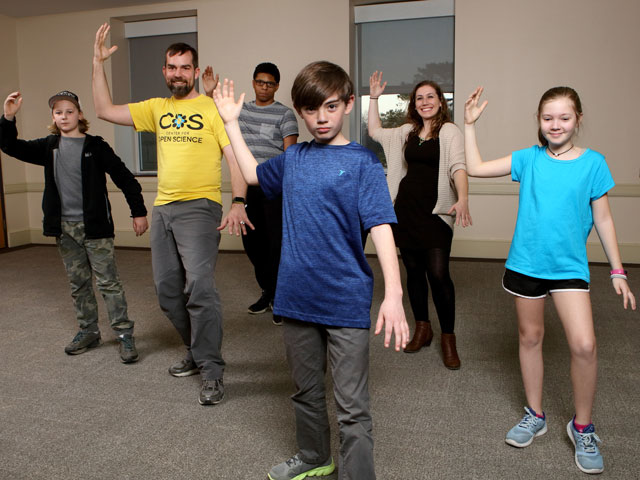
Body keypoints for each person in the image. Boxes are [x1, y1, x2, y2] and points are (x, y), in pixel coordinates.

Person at [212, 61, 409, 480]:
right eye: (311, 109)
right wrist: (230, 122)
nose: (321, 118)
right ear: (300, 111)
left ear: (349, 105)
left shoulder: (363, 163)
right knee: (305, 390)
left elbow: (381, 227)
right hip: (296, 295)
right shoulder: (294, 158)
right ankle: (315, 456)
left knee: (352, 407)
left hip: (345, 299)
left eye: (332, 107)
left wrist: (393, 295)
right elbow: (251, 174)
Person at [464, 85, 636, 474]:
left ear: (578, 119)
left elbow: (605, 219)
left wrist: (618, 269)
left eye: (564, 117)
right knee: (530, 337)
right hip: (526, 264)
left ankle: (582, 427)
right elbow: (475, 168)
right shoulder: (529, 159)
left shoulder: (593, 163)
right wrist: (470, 126)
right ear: (538, 122)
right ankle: (535, 414)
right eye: (547, 118)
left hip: (569, 269)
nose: (555, 125)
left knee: (585, 345)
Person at [92, 23, 251, 406]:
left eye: (184, 67)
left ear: (195, 71)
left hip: (200, 206)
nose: (177, 73)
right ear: (164, 71)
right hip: (163, 208)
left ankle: (211, 370)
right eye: (171, 67)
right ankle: (196, 351)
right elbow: (102, 110)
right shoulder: (156, 109)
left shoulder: (211, 109)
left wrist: (238, 201)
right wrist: (96, 63)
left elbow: (234, 160)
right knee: (167, 293)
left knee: (200, 287)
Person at [0, 90, 148, 363]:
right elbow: (10, 147)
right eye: (58, 112)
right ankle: (89, 330)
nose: (64, 116)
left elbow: (125, 178)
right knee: (78, 283)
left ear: (80, 114)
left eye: (69, 111)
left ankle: (124, 334)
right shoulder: (48, 146)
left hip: (95, 228)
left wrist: (138, 212)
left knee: (108, 283)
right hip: (64, 229)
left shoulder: (96, 147)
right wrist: (9, 117)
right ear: (53, 118)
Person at [368, 71, 471, 369]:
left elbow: (458, 167)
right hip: (406, 211)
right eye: (419, 98)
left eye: (430, 97)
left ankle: (448, 338)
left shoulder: (450, 131)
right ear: (414, 104)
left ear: (440, 101)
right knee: (413, 271)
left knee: (438, 274)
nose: (425, 102)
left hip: (436, 212)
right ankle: (423, 328)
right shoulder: (407, 132)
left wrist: (463, 198)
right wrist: (373, 97)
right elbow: (375, 131)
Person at [203, 62, 299, 325]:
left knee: (277, 244)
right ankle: (267, 290)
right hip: (246, 187)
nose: (264, 87)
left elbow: (290, 155)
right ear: (254, 82)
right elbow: (216, 116)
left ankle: (280, 297)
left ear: (277, 86)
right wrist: (211, 93)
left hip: (275, 187)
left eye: (269, 83)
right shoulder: (241, 111)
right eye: (260, 81)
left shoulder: (285, 114)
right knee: (253, 244)